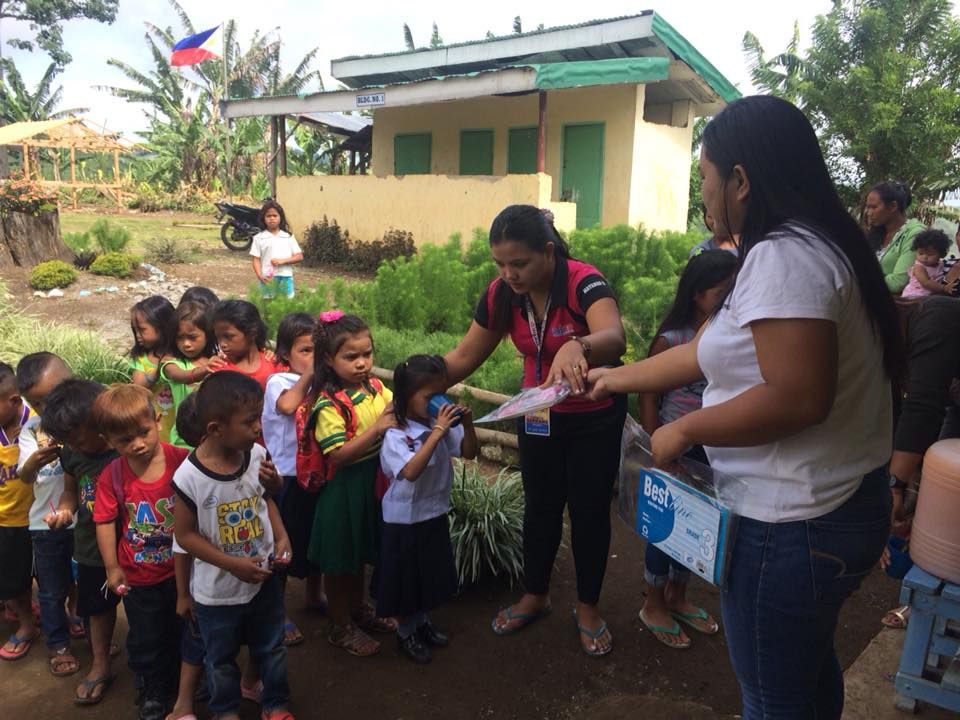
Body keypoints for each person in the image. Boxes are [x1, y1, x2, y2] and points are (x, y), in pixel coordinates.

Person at [587, 95, 901, 718]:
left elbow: (797, 397)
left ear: (740, 180)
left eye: (705, 176)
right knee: (805, 674)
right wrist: (612, 378)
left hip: (792, 522)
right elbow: (703, 354)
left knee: (772, 698)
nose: (702, 192)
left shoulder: (787, 256)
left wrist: (684, 431)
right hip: (833, 507)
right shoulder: (812, 246)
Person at [444, 204, 627, 656]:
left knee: (588, 510)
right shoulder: (501, 295)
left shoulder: (582, 281)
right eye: (500, 264)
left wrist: (578, 345)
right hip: (539, 415)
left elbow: (614, 337)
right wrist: (413, 384)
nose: (509, 274)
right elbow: (464, 357)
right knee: (540, 506)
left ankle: (588, 607)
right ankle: (535, 594)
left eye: (519, 263)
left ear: (548, 251)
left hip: (594, 415)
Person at [172, 371, 294, 720]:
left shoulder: (255, 454)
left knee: (272, 646)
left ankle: (276, 704)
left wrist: (281, 535)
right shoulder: (189, 477)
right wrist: (231, 564)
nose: (258, 427)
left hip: (263, 580)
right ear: (216, 429)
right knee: (220, 658)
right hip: (217, 594)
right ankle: (225, 710)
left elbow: (265, 499)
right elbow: (185, 536)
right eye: (250, 421)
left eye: (259, 417)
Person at [637, 250, 736, 649]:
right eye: (722, 291)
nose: (731, 298)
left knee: (698, 524)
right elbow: (648, 393)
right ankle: (653, 603)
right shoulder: (672, 339)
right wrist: (656, 444)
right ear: (697, 294)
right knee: (664, 525)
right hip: (673, 448)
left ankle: (678, 596)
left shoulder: (728, 334)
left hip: (711, 449)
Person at [92, 384, 189, 720]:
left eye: (143, 432)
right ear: (108, 441)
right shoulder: (113, 475)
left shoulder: (182, 462)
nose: (137, 444)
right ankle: (151, 688)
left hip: (183, 571)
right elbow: (104, 521)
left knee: (185, 627)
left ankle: (187, 681)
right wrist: (111, 567)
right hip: (139, 575)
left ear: (158, 421)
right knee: (147, 636)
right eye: (124, 440)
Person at [304, 312, 398, 657]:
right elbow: (338, 455)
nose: (362, 363)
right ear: (329, 359)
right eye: (351, 356)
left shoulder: (375, 388)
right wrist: (378, 429)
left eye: (367, 354)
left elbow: (395, 407)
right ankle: (340, 624)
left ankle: (358, 610)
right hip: (343, 489)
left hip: (371, 482)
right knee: (339, 559)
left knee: (358, 553)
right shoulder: (328, 404)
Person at [377, 355, 478, 664]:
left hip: (433, 511)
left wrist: (467, 425)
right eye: (430, 396)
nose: (438, 401)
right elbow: (410, 471)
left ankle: (421, 622)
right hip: (403, 520)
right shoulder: (396, 433)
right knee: (406, 580)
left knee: (427, 575)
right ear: (408, 396)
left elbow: (469, 453)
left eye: (441, 393)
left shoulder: (439, 425)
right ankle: (406, 631)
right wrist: (437, 432)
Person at [880, 296, 960, 629]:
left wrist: (895, 486)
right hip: (956, 404)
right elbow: (899, 416)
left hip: (949, 403)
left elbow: (924, 406)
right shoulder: (895, 351)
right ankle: (930, 601)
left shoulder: (935, 316)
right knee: (939, 495)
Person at [42, 379, 122, 705]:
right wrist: (65, 509)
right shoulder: (73, 456)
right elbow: (70, 490)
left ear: (100, 423)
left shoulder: (126, 448)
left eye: (77, 438)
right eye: (68, 442)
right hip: (91, 546)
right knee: (97, 609)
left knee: (148, 609)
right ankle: (100, 663)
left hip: (135, 545)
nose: (73, 445)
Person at [15, 352, 82, 676]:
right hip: (46, 524)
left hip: (85, 519)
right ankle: (58, 644)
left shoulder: (86, 421)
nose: (46, 409)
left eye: (53, 399)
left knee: (84, 581)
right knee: (51, 589)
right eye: (37, 403)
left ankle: (82, 620)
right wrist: (34, 462)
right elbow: (25, 477)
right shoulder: (32, 429)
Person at [262, 312, 319, 646]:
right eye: (306, 350)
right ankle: (276, 611)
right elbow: (287, 406)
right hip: (287, 478)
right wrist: (311, 373)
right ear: (285, 352)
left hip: (315, 475)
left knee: (313, 539)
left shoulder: (323, 383)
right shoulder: (279, 381)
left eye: (318, 351)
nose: (313, 358)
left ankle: (314, 594)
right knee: (282, 546)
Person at [0, 363, 37, 662]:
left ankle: (73, 613)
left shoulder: (38, 423)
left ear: (14, 400)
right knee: (12, 578)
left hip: (43, 516)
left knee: (58, 572)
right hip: (6, 520)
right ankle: (26, 622)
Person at [160, 301, 224, 448]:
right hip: (183, 442)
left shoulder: (215, 360)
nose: (186, 344)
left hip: (215, 438)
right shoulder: (171, 363)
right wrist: (205, 369)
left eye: (192, 337)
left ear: (208, 335)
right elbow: (182, 376)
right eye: (180, 338)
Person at [129, 296, 178, 442]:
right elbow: (138, 386)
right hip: (156, 425)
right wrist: (156, 372)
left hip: (178, 423)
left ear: (162, 326)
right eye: (135, 330)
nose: (138, 335)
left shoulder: (181, 355)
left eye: (142, 330)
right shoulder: (142, 358)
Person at [865, 181, 925, 294]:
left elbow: (898, 282)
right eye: (868, 207)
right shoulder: (877, 232)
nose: (869, 213)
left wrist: (861, 278)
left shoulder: (915, 234)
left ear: (893, 206)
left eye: (874, 207)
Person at [212, 300, 284, 389]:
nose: (222, 344)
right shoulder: (220, 370)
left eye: (229, 336)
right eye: (218, 337)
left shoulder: (273, 363)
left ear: (252, 333)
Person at [250, 200, 303, 300]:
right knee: (267, 303)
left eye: (275, 215)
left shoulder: (288, 237)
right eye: (268, 216)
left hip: (285, 277)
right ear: (263, 218)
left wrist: (283, 261)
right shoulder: (259, 238)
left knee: (286, 304)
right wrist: (260, 275)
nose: (272, 218)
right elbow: (256, 259)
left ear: (280, 217)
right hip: (267, 278)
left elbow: (299, 256)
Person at [901, 229, 957, 299]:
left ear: (941, 254)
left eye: (930, 254)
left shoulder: (941, 264)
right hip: (915, 294)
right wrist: (944, 288)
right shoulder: (919, 267)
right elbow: (926, 282)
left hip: (928, 295)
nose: (924, 257)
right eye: (921, 253)